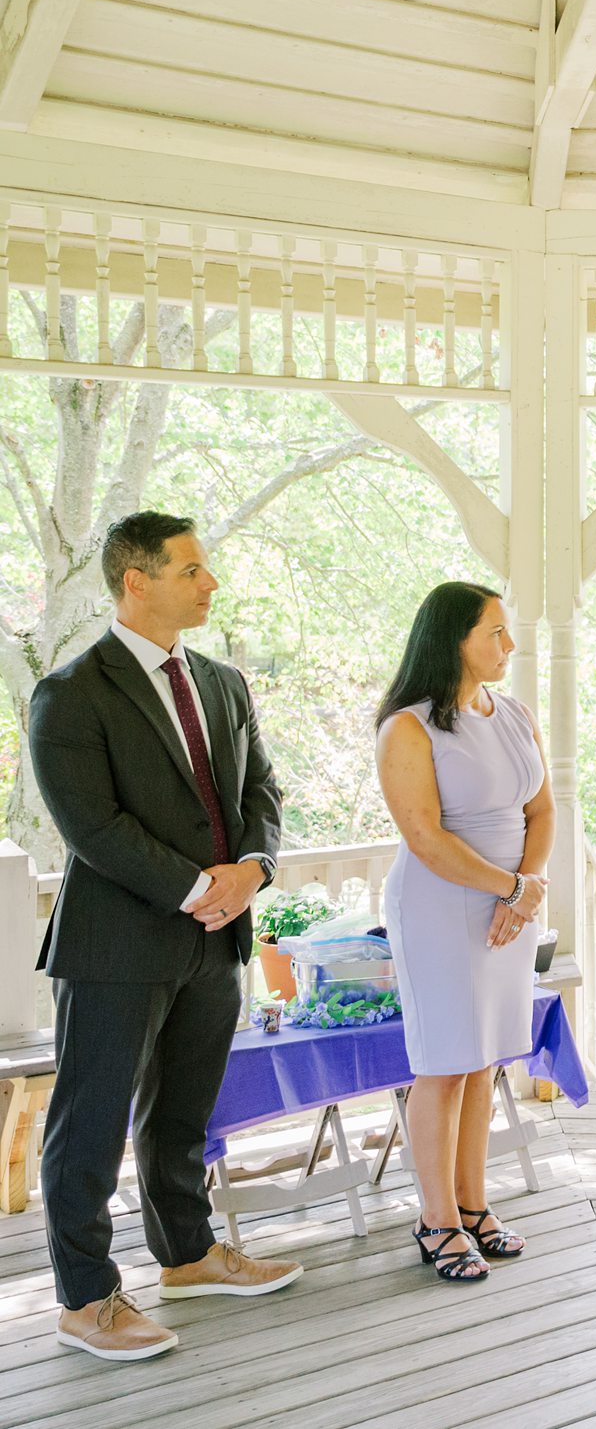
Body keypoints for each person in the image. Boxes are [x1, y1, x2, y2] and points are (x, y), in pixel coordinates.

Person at [28, 511, 300, 1362]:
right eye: (191, 569)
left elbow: (262, 787)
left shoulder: (222, 681)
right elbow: (92, 827)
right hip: (115, 946)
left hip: (216, 943)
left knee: (181, 1116)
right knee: (90, 1125)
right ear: (136, 580)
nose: (209, 582)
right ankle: (87, 1299)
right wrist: (196, 888)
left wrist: (251, 870)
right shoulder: (69, 691)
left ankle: (186, 1256)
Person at [375, 582, 554, 1285]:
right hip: (441, 908)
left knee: (484, 1061)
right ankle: (437, 1218)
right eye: (496, 632)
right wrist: (509, 887)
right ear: (453, 637)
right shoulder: (409, 728)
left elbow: (542, 810)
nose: (508, 645)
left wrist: (527, 886)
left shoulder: (514, 713)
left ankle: (475, 1206)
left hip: (510, 907)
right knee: (444, 1063)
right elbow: (423, 837)